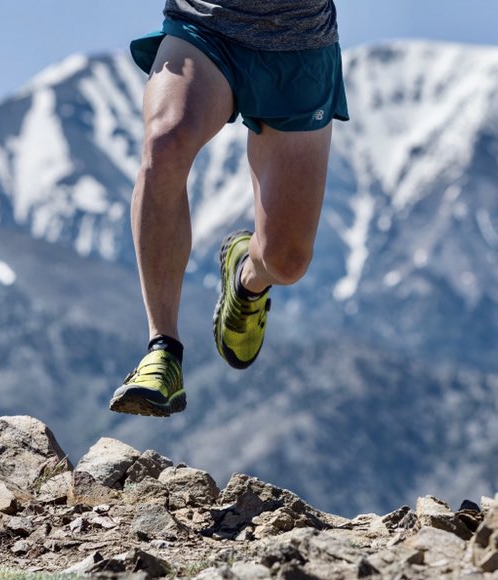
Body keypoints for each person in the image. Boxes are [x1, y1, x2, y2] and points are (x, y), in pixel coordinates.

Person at [109, 0, 349, 417]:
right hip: (204, 27)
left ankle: (248, 278)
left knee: (287, 260)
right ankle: (162, 350)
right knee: (164, 144)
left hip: (300, 46)